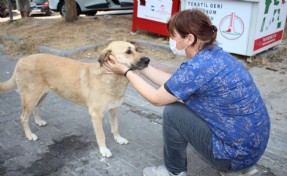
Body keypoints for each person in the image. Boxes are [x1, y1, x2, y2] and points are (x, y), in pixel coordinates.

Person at [104, 9, 270, 176]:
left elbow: (156, 99)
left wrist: (126, 72)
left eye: (173, 36)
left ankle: (174, 171)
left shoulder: (197, 68)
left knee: (173, 112)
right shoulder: (216, 55)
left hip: (233, 155)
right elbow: (175, 84)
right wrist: (138, 65)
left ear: (189, 38)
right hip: (255, 146)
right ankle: (243, 170)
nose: (171, 40)